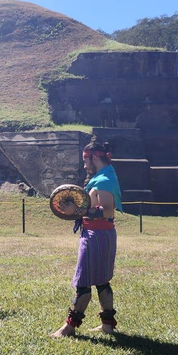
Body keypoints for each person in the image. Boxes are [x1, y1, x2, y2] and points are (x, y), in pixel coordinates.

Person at [51, 140, 123, 338]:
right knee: (102, 281)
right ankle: (107, 325)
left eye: (85, 160)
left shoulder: (103, 180)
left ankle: (69, 328)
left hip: (96, 236)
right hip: (101, 234)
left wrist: (78, 211)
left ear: (94, 158)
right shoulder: (105, 176)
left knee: (83, 283)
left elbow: (107, 210)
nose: (84, 165)